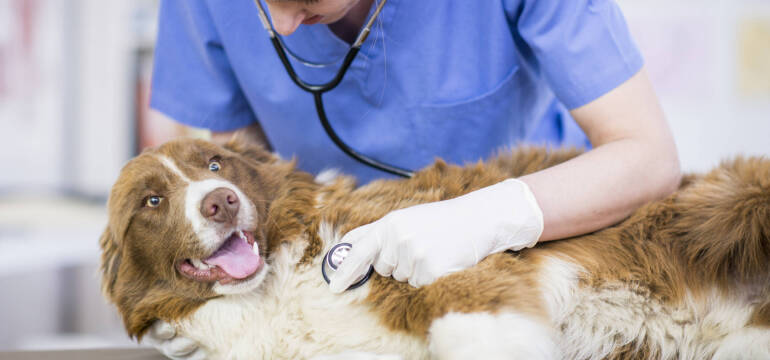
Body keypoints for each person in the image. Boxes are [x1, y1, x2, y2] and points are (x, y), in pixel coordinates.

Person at [146, 0, 681, 358]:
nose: (282, 27)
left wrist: (483, 220)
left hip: (547, 247)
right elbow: (245, 177)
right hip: (342, 276)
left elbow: (647, 155)